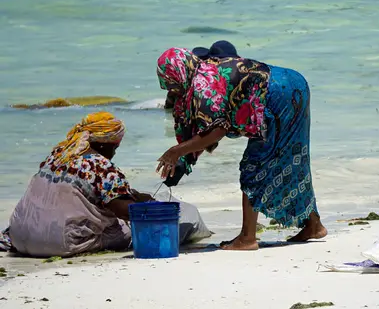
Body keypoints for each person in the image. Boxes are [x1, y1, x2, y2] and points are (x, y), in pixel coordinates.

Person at [156, 46, 327, 250]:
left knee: (253, 167)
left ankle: (247, 238)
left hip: (276, 96)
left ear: (180, 73)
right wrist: (185, 159)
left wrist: (176, 152)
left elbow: (217, 130)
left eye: (172, 83)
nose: (171, 90)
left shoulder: (204, 84)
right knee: (291, 159)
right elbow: (205, 131)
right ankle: (313, 225)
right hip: (293, 84)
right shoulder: (203, 72)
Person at [5, 112, 210, 257]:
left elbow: (89, 191)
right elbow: (126, 212)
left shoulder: (58, 156)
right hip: (61, 242)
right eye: (115, 147)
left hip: (20, 237)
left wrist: (134, 194)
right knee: (184, 214)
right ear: (103, 144)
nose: (114, 153)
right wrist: (148, 205)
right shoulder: (102, 167)